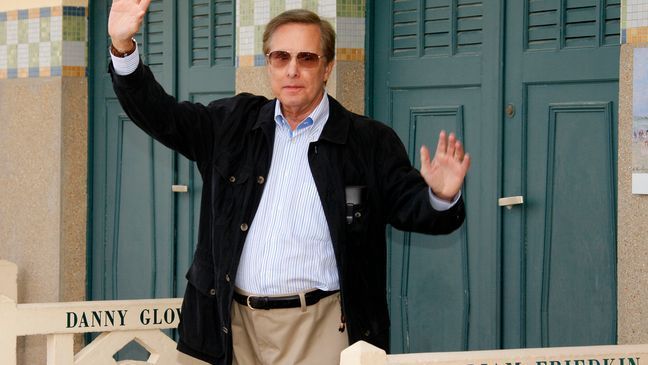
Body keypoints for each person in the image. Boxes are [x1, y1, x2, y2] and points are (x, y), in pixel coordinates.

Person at [107, 1, 471, 364]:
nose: (292, 69)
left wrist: (440, 195)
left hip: (322, 329)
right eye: (281, 57)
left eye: (307, 58)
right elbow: (162, 115)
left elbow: (412, 208)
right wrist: (123, 49)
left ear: (327, 67)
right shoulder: (232, 125)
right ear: (269, 64)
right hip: (226, 327)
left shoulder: (367, 142)